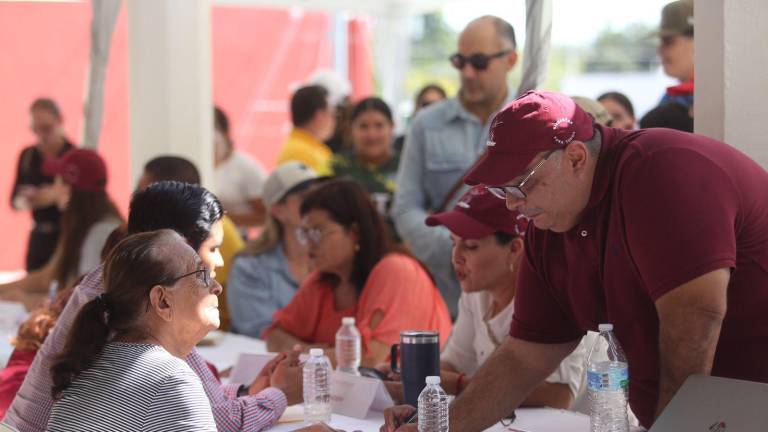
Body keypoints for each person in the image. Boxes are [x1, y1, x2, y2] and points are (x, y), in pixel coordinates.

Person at [401, 90, 768, 431]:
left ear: (575, 158)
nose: (512, 204)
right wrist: (435, 429)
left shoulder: (659, 171)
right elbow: (524, 357)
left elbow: (695, 318)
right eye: (501, 191)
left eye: (520, 184)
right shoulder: (549, 225)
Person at [4, 182, 302, 432]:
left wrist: (248, 391)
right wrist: (280, 394)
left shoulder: (114, 289)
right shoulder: (158, 346)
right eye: (211, 251)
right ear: (173, 250)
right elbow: (220, 419)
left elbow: (193, 402)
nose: (217, 274)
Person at [393, 15, 520, 317]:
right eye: (459, 61)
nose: (467, 72)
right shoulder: (426, 124)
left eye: (479, 62)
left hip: (516, 296)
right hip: (446, 298)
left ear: (511, 60)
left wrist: (497, 255)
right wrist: (459, 249)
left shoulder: (529, 120)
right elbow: (405, 207)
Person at [46, 230, 224, 431]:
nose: (216, 287)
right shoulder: (171, 379)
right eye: (201, 274)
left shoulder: (91, 365)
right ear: (162, 301)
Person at [265, 179, 452, 366]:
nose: (309, 243)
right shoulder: (323, 281)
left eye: (318, 232)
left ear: (354, 232)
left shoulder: (397, 270)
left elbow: (367, 358)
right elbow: (274, 336)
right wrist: (311, 352)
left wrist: (307, 354)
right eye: (304, 233)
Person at [0, 149, 123, 309]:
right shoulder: (82, 225)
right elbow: (48, 276)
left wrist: (26, 301)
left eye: (56, 181)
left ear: (68, 188)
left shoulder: (100, 232)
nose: (53, 187)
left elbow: (85, 301)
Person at [136, 155, 245, 330]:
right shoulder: (143, 314)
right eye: (213, 249)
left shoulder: (212, 227)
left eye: (142, 191)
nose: (136, 201)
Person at [228, 162, 321, 338]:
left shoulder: (336, 261)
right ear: (278, 211)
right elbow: (260, 331)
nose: (318, 204)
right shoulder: (249, 267)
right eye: (306, 197)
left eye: (321, 195)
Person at [10, 98, 75, 272]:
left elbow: (87, 202)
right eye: (35, 129)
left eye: (46, 128)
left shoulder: (75, 156)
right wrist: (29, 199)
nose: (41, 136)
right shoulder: (28, 156)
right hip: (38, 237)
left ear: (60, 121)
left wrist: (57, 196)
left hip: (66, 238)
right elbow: (14, 201)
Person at [331, 97, 400, 240]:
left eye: (379, 126)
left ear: (392, 127)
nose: (371, 134)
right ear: (351, 129)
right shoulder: (335, 167)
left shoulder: (407, 166)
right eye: (363, 126)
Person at [641, 0, 694, 132]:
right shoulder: (673, 97)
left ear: (698, 40)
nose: (659, 50)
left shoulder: (720, 98)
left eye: (668, 41)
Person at [213, 106, 268, 231]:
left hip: (236, 237)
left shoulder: (246, 167)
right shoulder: (195, 166)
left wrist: (221, 220)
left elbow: (265, 215)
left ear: (224, 135)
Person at [276, 85, 336, 175]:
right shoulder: (306, 155)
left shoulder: (310, 149)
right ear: (319, 117)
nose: (334, 121)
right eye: (332, 114)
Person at [393, 84, 448, 154]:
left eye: (438, 106)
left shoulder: (452, 144)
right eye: (427, 105)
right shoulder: (401, 144)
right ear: (416, 108)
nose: (432, 111)